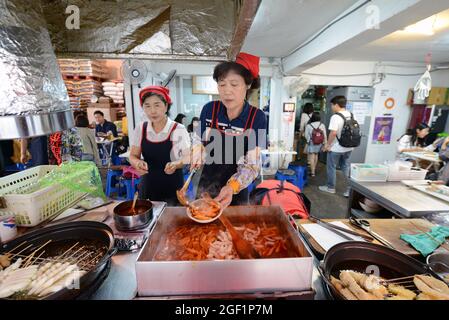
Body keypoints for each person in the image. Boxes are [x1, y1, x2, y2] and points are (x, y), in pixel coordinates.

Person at [192, 52, 267, 208]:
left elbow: (252, 164)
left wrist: (232, 187)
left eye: (234, 84)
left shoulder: (256, 118)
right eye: (222, 83)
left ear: (248, 84)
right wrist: (197, 151)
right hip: (206, 187)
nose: (227, 91)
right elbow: (198, 140)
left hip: (236, 191)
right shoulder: (209, 110)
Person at [129, 86, 190, 205]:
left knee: (173, 220)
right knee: (148, 218)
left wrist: (176, 164)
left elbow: (187, 158)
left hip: (173, 187)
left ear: (166, 106)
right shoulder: (141, 128)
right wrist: (137, 163)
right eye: (147, 106)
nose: (152, 111)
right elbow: (133, 155)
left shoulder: (178, 129)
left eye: (157, 105)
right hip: (148, 186)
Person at [319, 96, 353, 197]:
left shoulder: (335, 117)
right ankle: (350, 189)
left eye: (332, 105)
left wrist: (327, 145)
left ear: (337, 105)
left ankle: (330, 187)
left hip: (336, 148)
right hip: (349, 147)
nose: (332, 107)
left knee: (331, 167)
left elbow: (333, 133)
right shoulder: (350, 114)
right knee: (345, 167)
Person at [304, 112, 327, 177]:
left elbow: (306, 135)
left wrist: (309, 140)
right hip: (319, 143)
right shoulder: (322, 125)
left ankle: (312, 172)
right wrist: (325, 143)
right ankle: (314, 168)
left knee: (311, 156)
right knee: (316, 155)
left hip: (312, 142)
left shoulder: (309, 125)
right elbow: (324, 135)